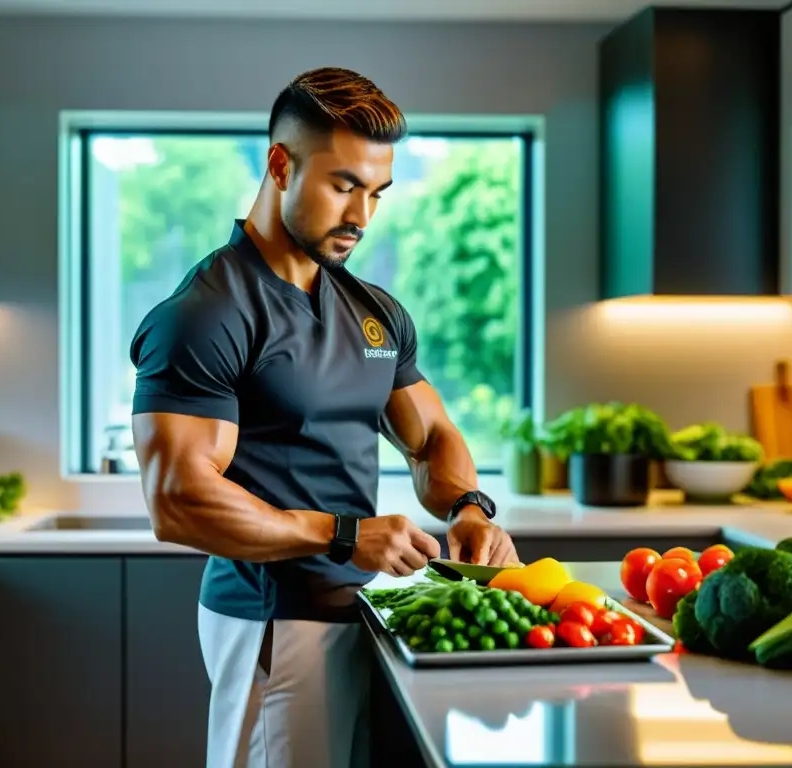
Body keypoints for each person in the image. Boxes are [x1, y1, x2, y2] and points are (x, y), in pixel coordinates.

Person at [128, 66, 519, 768]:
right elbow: (178, 501)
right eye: (344, 186)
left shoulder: (371, 310)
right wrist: (344, 536)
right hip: (271, 625)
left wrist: (469, 506)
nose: (363, 216)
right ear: (280, 165)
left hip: (357, 612)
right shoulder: (209, 312)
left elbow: (430, 437)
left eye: (377, 193)